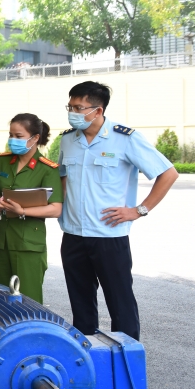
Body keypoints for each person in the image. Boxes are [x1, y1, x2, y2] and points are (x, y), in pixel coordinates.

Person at [58, 80, 178, 340]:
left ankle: (126, 361)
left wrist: (139, 210)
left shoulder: (125, 139)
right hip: (74, 235)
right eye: (70, 106)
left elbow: (168, 173)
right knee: (81, 305)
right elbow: (62, 178)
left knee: (120, 303)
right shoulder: (68, 140)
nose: (73, 112)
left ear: (98, 111)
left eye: (79, 107)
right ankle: (89, 361)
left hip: (109, 236)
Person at [0, 113, 63, 304]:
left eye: (19, 136)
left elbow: (55, 208)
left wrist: (22, 211)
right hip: (1, 239)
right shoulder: (3, 161)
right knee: (3, 297)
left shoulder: (47, 168)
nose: (13, 140)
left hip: (28, 243)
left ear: (35, 138)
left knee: (28, 299)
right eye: (11, 135)